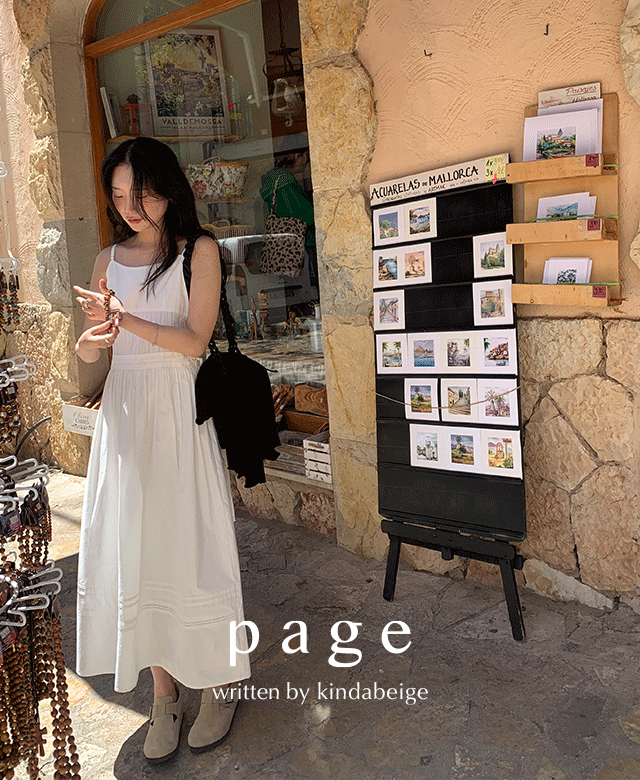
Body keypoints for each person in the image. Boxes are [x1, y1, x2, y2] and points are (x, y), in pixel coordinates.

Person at [73, 136, 250, 764]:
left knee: (192, 547)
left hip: (178, 415)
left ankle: (219, 684)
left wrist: (127, 322)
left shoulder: (197, 251)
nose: (130, 207)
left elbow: (194, 341)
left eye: (140, 193)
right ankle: (164, 694)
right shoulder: (106, 258)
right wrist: (91, 342)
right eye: (118, 196)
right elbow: (94, 354)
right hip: (125, 419)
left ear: (168, 189)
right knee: (138, 550)